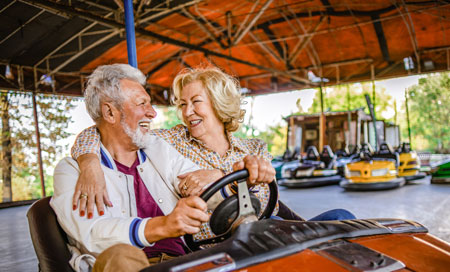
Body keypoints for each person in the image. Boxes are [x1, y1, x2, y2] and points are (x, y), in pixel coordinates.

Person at [50, 64, 276, 272]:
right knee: (120, 253)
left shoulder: (157, 149)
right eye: (142, 103)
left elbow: (202, 188)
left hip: (180, 265)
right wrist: (163, 226)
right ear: (110, 112)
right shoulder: (71, 171)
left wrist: (235, 186)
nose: (153, 112)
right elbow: (90, 233)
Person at [70, 66, 354, 238]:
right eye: (182, 104)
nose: (187, 112)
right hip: (220, 248)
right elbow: (109, 129)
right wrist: (90, 162)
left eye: (195, 102)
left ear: (219, 104)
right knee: (274, 228)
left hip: (272, 231)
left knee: (341, 216)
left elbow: (273, 208)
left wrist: (229, 176)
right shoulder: (169, 143)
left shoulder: (254, 148)